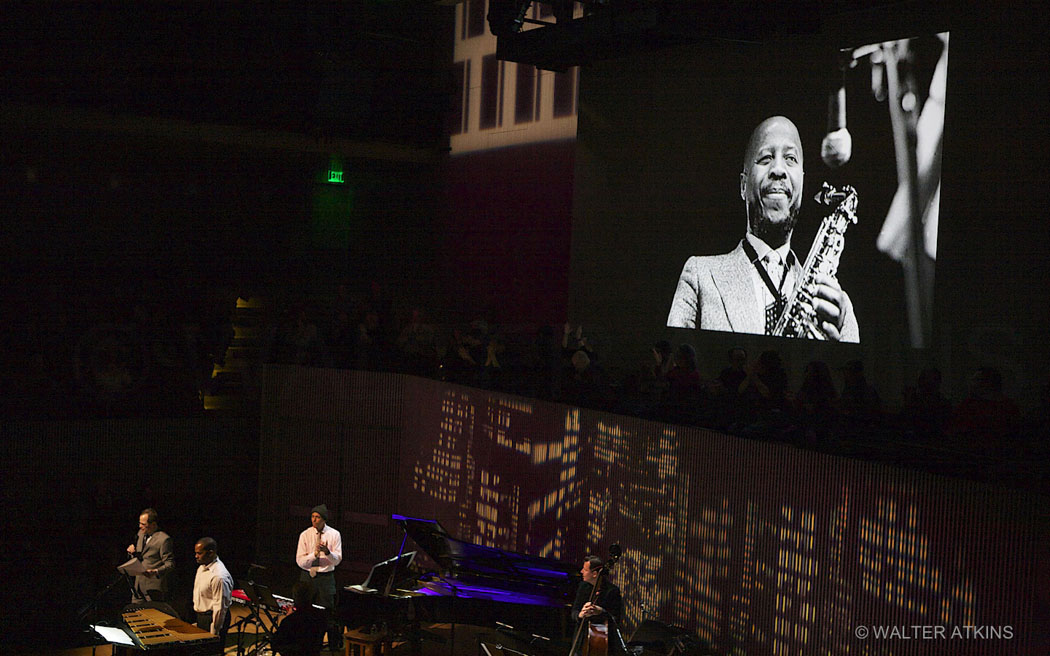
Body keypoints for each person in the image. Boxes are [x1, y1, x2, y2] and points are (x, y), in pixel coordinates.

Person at [667, 116, 859, 341]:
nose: (778, 169)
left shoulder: (836, 305)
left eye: (790, 158)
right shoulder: (700, 276)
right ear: (742, 186)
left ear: (803, 183)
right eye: (766, 158)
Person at [295, 504, 343, 651]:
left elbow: (337, 560)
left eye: (317, 517)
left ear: (324, 519)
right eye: (312, 517)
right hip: (308, 577)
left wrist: (327, 552)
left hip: (325, 578)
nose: (314, 520)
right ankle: (307, 644)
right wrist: (314, 555)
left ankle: (334, 646)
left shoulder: (334, 534)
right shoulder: (305, 534)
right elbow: (300, 561)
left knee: (328, 612)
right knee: (304, 610)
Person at [571, 556, 624, 655]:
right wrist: (580, 615)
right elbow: (574, 611)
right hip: (580, 639)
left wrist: (601, 611)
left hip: (601, 640)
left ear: (595, 574)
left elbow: (615, 619)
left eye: (585, 570)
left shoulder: (612, 591)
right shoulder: (583, 587)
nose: (581, 571)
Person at [191, 537, 234, 651]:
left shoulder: (219, 576)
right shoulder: (201, 567)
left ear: (210, 553)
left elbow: (220, 607)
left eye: (199, 553)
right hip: (203, 617)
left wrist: (214, 631)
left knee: (212, 651)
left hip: (213, 618)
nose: (196, 556)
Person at [126, 508, 175, 602]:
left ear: (153, 525)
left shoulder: (163, 539)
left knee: (153, 614)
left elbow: (170, 564)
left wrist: (156, 571)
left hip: (153, 588)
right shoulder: (140, 534)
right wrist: (132, 552)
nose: (140, 526)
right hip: (138, 586)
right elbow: (141, 557)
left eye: (143, 524)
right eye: (139, 523)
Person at [271, 581, 329, 656]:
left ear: (295, 598)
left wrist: (289, 617)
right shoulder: (321, 617)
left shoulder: (289, 621)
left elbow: (275, 645)